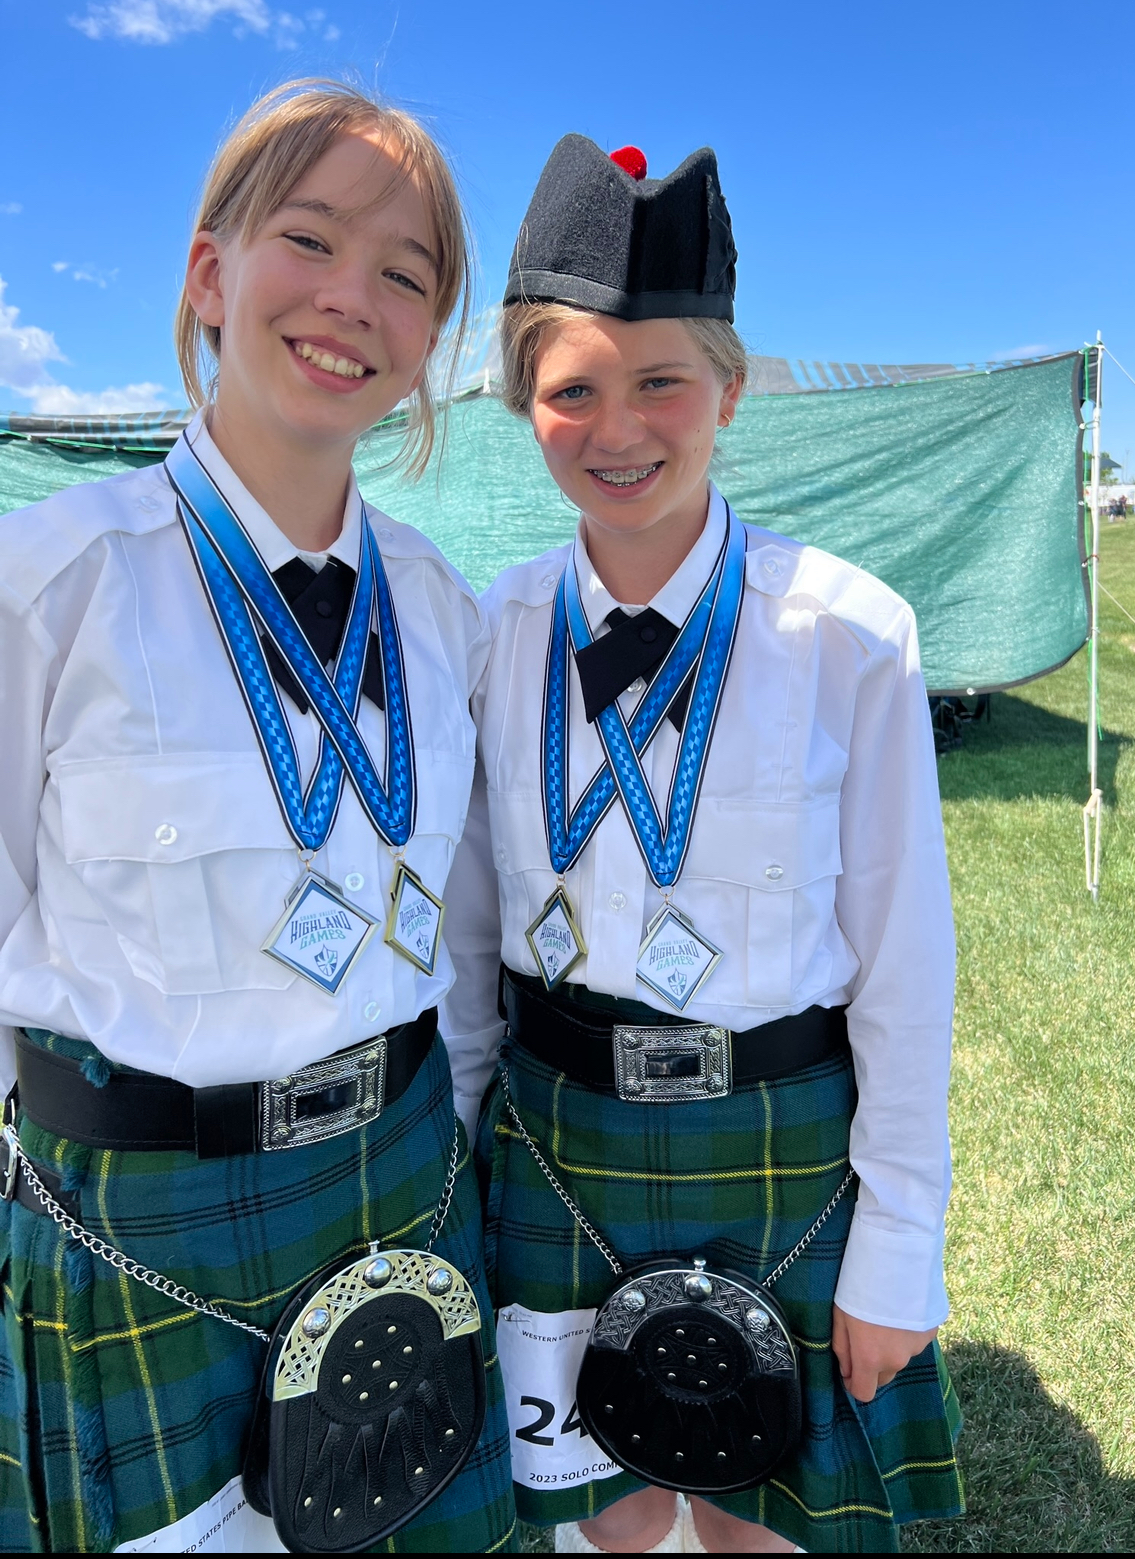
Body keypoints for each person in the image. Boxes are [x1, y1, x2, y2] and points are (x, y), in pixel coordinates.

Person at [0, 80, 515, 1553]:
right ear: (211, 275)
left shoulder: (440, 609)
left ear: (429, 342)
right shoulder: (48, 583)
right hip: (138, 1234)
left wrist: (452, 1142)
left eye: (407, 275)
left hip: (407, 1185)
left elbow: (464, 935)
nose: (353, 297)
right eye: (310, 238)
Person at [442, 136, 963, 1553]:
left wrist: (897, 1243)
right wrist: (455, 1162)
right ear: (522, 409)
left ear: (728, 389)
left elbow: (907, 963)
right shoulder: (490, 634)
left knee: (754, 1519)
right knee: (602, 1510)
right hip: (556, 1142)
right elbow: (470, 934)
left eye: (660, 378)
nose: (619, 426)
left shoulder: (843, 632)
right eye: (572, 390)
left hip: (776, 1143)